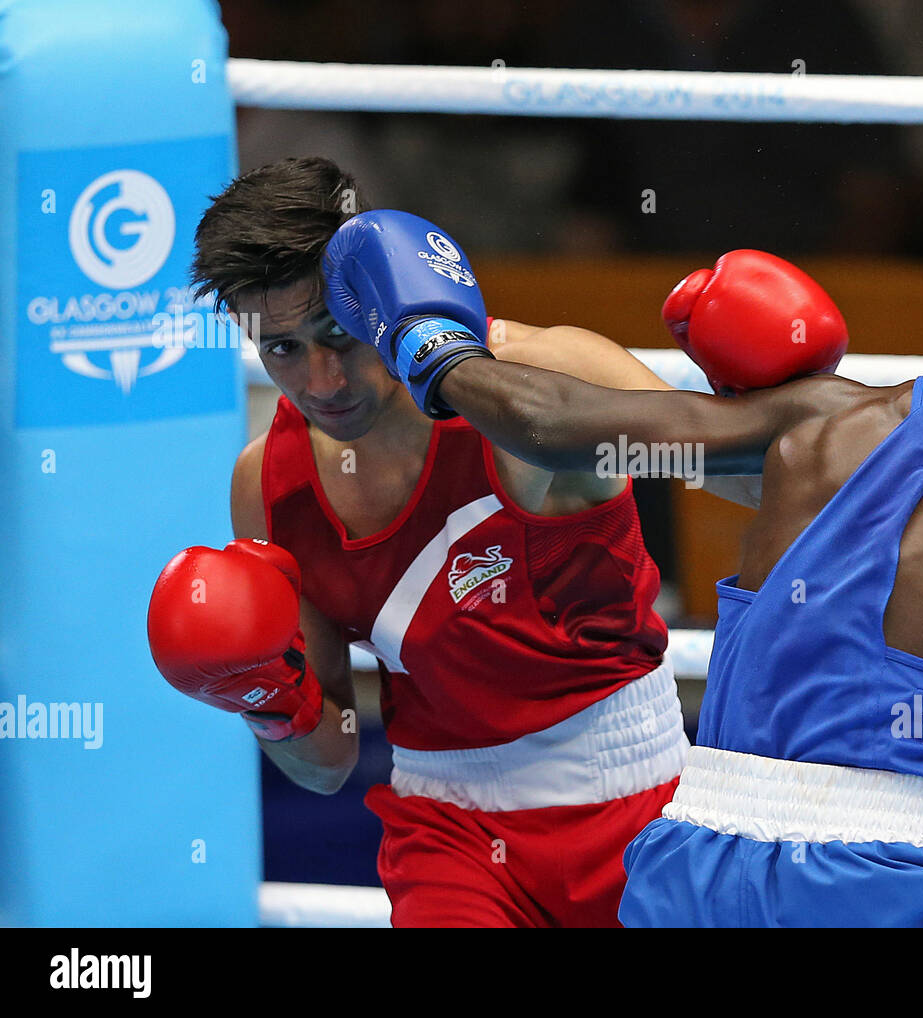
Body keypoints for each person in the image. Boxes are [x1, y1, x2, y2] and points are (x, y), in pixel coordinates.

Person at [321, 214, 923, 926]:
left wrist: (439, 352)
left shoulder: (829, 417)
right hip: (880, 889)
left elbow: (563, 424)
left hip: (683, 870)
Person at [145, 157, 845, 927]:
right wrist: (267, 699)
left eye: (338, 336)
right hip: (447, 832)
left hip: (637, 803)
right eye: (281, 350)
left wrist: (776, 394)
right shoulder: (270, 489)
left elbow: (769, 483)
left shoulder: (543, 380)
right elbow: (329, 760)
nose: (321, 382)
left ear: (377, 296)